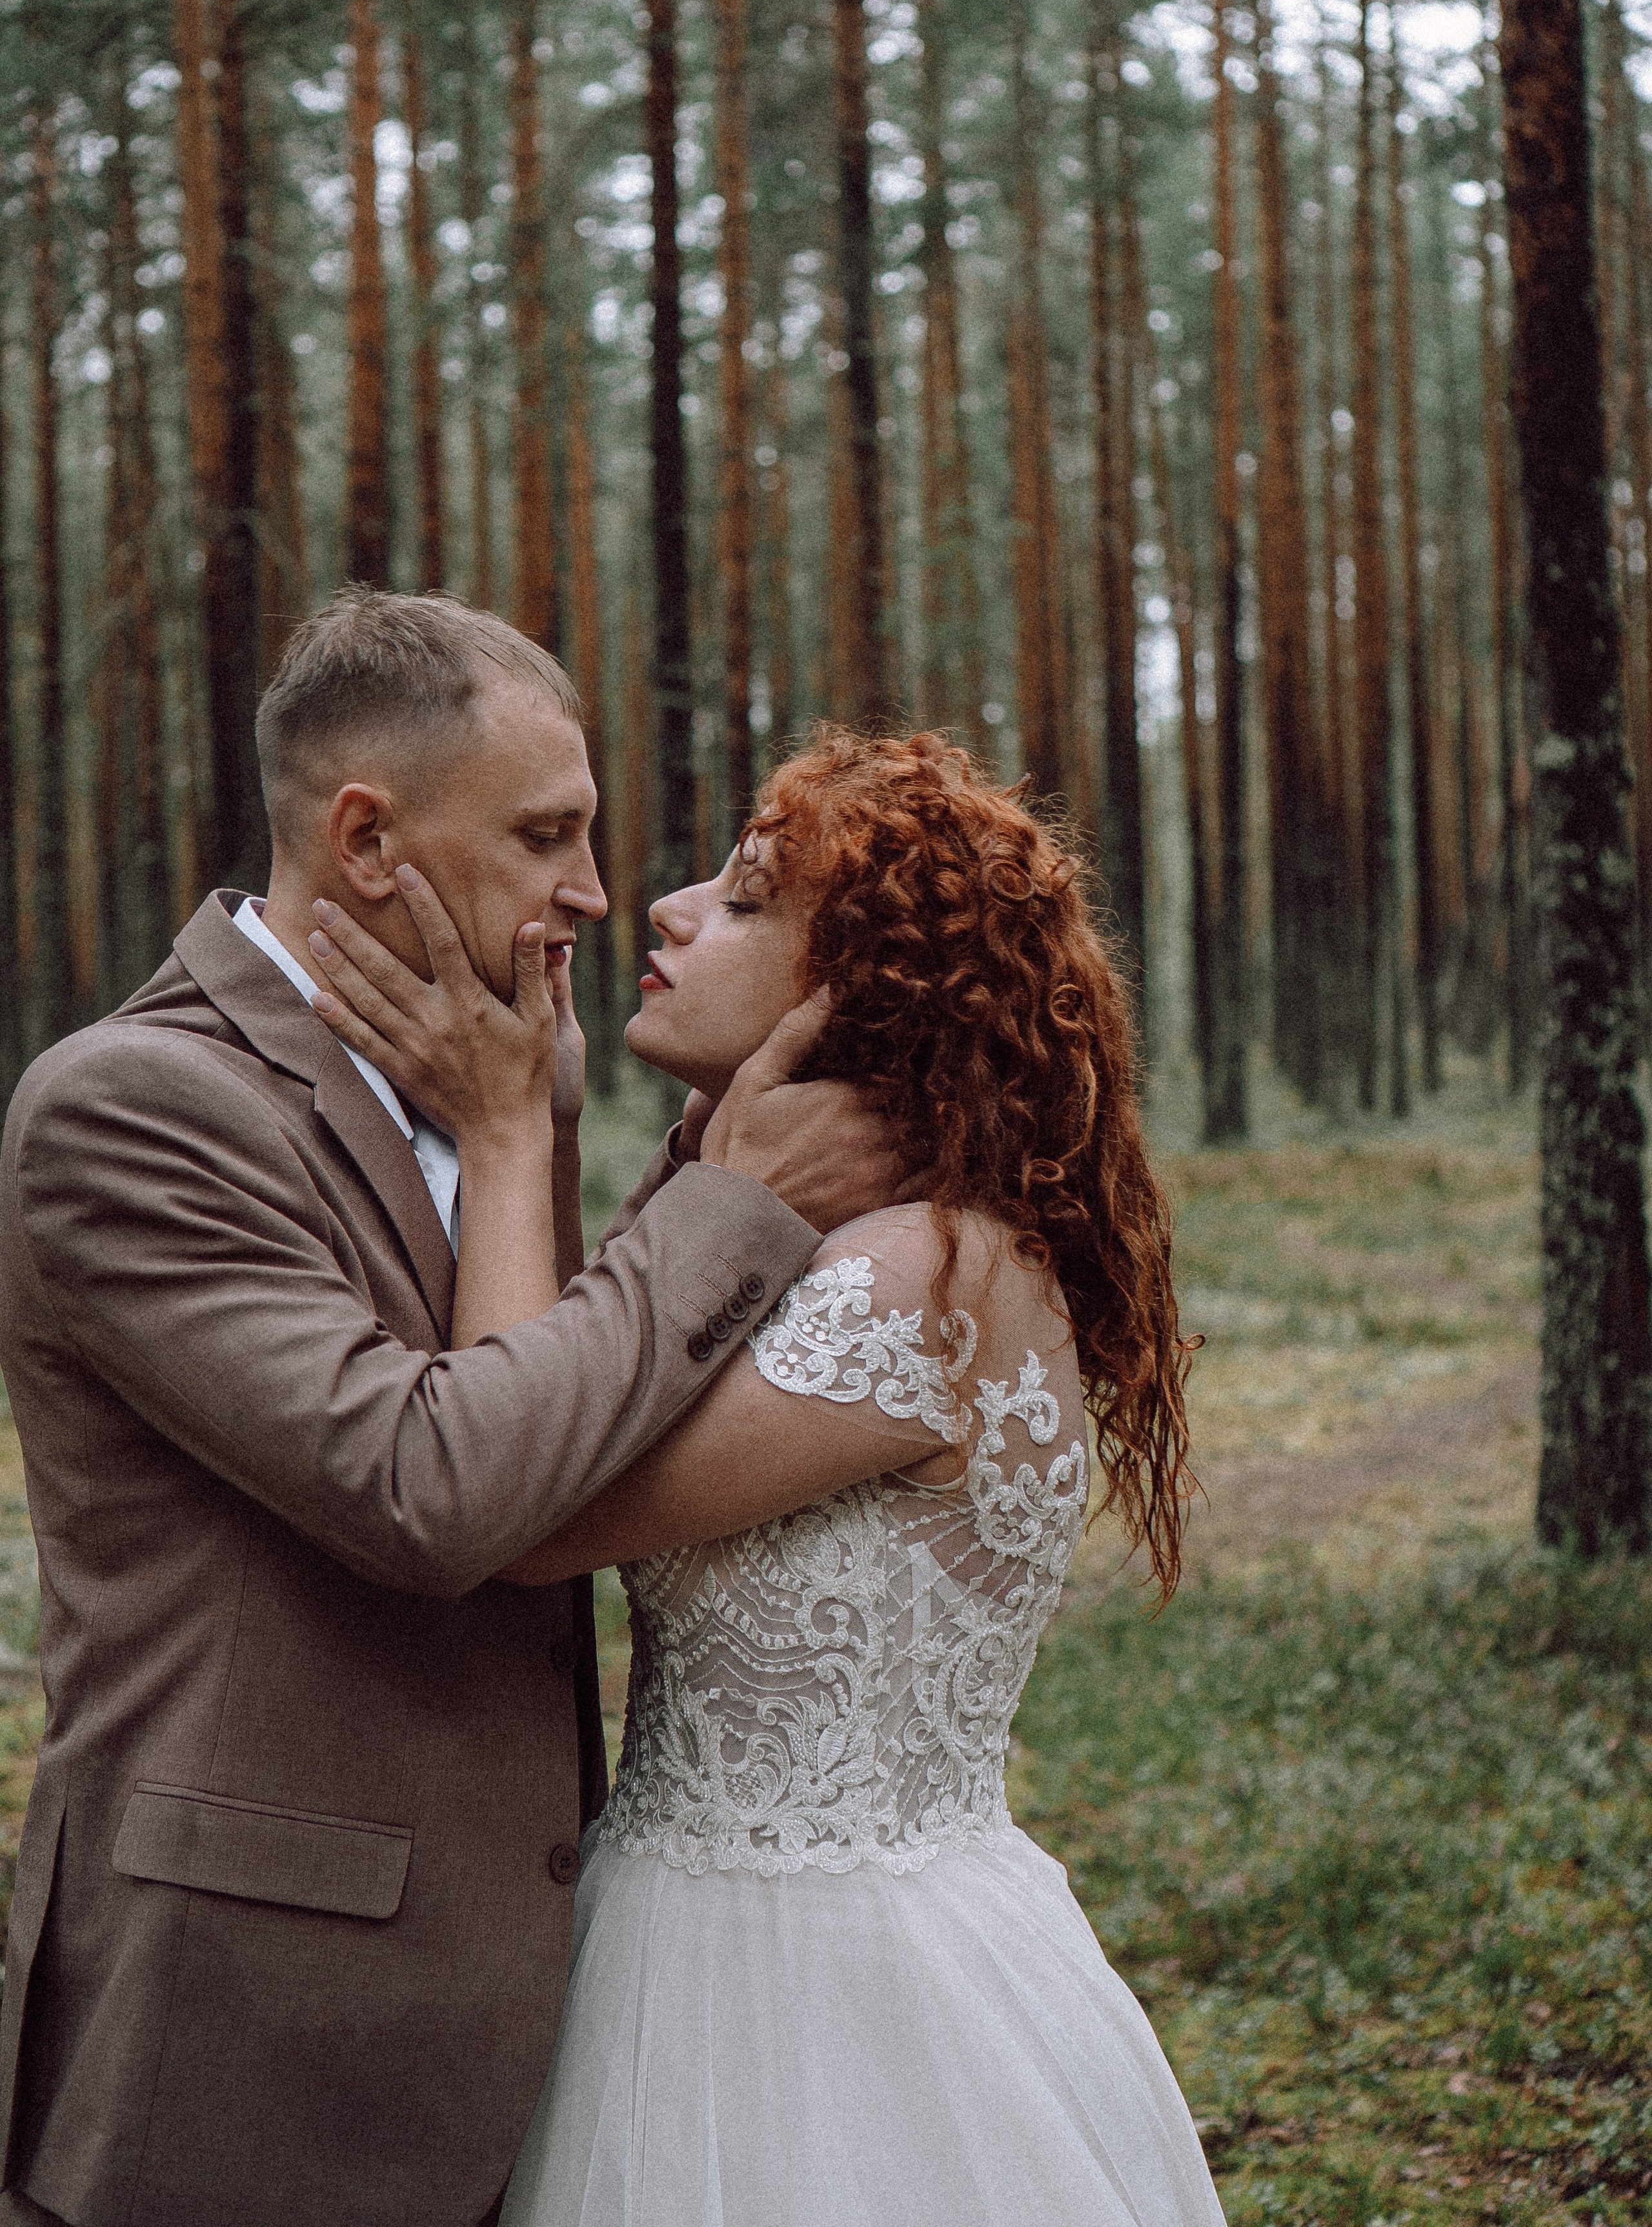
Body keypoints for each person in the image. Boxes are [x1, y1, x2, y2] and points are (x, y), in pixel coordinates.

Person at [0, 591, 903, 2227]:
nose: (591, 890)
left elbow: (559, 1401)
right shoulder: (129, 1109)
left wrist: (588, 1156)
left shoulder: (490, 1070)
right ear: (366, 839)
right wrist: (712, 1201)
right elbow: (433, 1488)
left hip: (523, 2022)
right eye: (546, 833)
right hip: (246, 2040)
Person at [310, 727, 1227, 2227]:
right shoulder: (871, 1246)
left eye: (742, 902)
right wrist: (705, 1174)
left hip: (815, 1985)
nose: (663, 909)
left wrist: (498, 1127)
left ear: (854, 992)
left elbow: (520, 1500)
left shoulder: (913, 1274)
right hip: (700, 1921)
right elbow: (590, 1382)